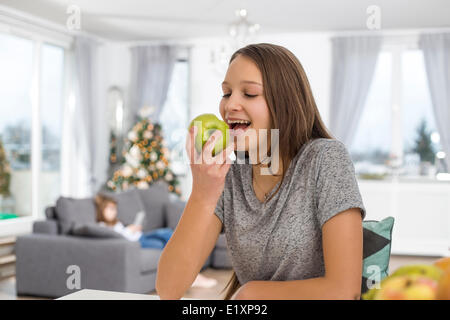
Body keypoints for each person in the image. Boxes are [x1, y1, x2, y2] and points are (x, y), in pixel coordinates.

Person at [156, 43, 366, 300]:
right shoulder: (230, 177)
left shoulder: (325, 158)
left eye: (250, 94)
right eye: (226, 93)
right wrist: (202, 193)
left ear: (285, 103)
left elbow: (346, 291)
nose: (230, 105)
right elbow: (168, 289)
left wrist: (251, 294)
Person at [95, 193, 218, 289]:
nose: (114, 212)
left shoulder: (116, 223)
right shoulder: (102, 226)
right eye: (110, 209)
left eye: (114, 209)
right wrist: (129, 230)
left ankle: (191, 273)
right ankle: (192, 276)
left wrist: (134, 228)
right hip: (137, 242)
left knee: (166, 233)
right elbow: (119, 237)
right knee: (163, 242)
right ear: (102, 210)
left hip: (140, 236)